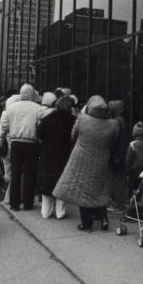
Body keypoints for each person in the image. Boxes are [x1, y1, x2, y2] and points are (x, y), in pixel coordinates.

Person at [54, 95, 122, 231]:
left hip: (82, 159)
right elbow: (114, 141)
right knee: (99, 189)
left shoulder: (82, 118)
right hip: (102, 159)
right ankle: (103, 219)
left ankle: (86, 224)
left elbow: (73, 135)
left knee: (82, 190)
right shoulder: (113, 124)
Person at [0, 84, 46, 211]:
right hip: (32, 143)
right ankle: (28, 203)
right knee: (30, 174)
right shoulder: (38, 108)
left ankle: (14, 203)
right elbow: (41, 126)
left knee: (15, 173)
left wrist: (2, 139)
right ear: (31, 94)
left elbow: (4, 127)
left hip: (15, 143)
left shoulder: (11, 108)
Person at [37, 93, 76, 220]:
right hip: (65, 154)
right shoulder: (72, 120)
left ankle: (46, 212)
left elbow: (40, 134)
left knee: (47, 182)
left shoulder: (48, 118)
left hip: (48, 153)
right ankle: (60, 212)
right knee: (62, 182)